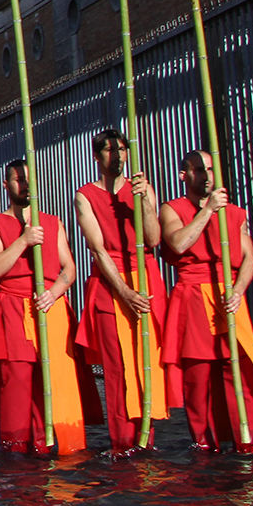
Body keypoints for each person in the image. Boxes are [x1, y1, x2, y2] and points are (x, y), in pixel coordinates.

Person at [159, 151, 253, 454]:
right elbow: (178, 243)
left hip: (230, 296)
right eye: (198, 170)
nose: (206, 176)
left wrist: (238, 289)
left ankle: (249, 443)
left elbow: (249, 258)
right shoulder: (172, 209)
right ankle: (203, 443)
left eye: (210, 169)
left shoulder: (235, 213)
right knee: (199, 381)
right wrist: (207, 211)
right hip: (193, 297)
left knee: (239, 373)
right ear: (184, 175)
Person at [0, 159, 95, 455]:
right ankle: (17, 449)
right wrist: (22, 241)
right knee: (17, 383)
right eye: (18, 179)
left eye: (29, 179)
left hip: (51, 306)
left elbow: (69, 268)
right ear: (6, 185)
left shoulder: (52, 222)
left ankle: (64, 446)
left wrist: (55, 291)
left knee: (59, 383)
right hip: (13, 310)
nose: (25, 184)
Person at [72, 129, 170, 454]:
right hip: (111, 282)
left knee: (146, 361)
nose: (115, 155)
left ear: (128, 153)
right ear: (97, 156)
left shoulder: (141, 189)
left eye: (120, 149)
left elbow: (154, 239)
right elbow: (98, 249)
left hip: (144, 275)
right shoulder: (85, 195)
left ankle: (147, 436)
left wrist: (141, 204)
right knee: (116, 367)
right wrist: (125, 292)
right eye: (108, 150)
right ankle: (122, 442)